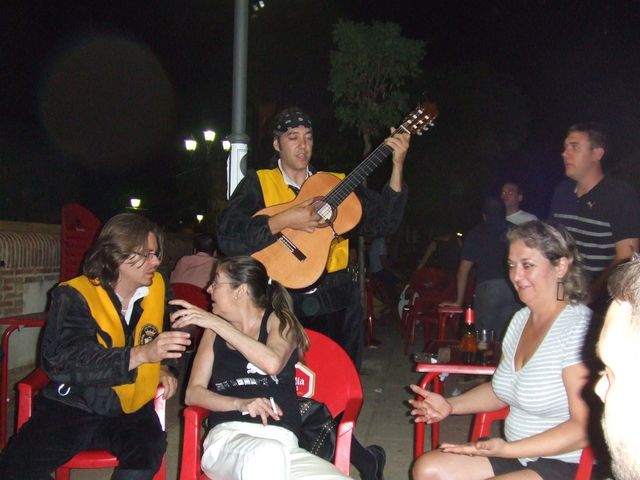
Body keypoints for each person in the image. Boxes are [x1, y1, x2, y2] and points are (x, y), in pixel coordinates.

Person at [216, 106, 411, 369]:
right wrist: (284, 219)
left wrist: (397, 165)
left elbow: (385, 222)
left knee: (339, 377)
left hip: (337, 302)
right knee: (284, 380)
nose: (303, 145)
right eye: (293, 137)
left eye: (308, 137)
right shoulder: (258, 183)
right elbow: (229, 237)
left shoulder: (335, 184)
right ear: (277, 144)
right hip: (279, 303)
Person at [0, 213, 190, 480]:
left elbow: (169, 330)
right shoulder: (75, 294)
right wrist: (140, 355)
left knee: (148, 450)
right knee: (14, 467)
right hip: (74, 404)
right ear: (117, 255)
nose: (156, 262)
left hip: (131, 407)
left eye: (156, 253)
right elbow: (62, 361)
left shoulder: (158, 287)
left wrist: (165, 366)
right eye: (146, 255)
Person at [169, 256, 385, 480]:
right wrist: (239, 403)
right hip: (229, 439)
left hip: (284, 445)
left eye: (216, 283)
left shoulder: (280, 322)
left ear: (239, 290)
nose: (208, 289)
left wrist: (214, 322)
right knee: (266, 455)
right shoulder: (212, 334)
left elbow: (272, 363)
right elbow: (193, 393)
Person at [409, 220, 592, 480]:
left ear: (561, 266)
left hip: (568, 464)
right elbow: (502, 390)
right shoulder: (520, 319)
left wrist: (508, 449)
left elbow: (584, 428)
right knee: (427, 469)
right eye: (511, 266)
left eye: (527, 265)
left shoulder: (578, 329)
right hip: (518, 455)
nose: (516, 276)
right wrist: (449, 405)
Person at [549, 122, 640, 308]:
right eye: (565, 147)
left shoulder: (620, 195)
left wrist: (591, 295)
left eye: (574, 147)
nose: (565, 153)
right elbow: (552, 245)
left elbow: (627, 257)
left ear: (597, 154)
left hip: (597, 307)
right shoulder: (561, 192)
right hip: (558, 298)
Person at [441, 197, 520, 337]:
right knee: (509, 336)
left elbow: (463, 269)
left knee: (484, 337)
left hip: (488, 287)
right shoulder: (516, 231)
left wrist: (459, 301)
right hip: (513, 287)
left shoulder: (476, 233)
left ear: (484, 216)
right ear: (504, 214)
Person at [595, 255, 640, 480]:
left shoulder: (572, 325)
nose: (597, 389)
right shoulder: (520, 318)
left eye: (611, 372)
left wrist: (509, 449)